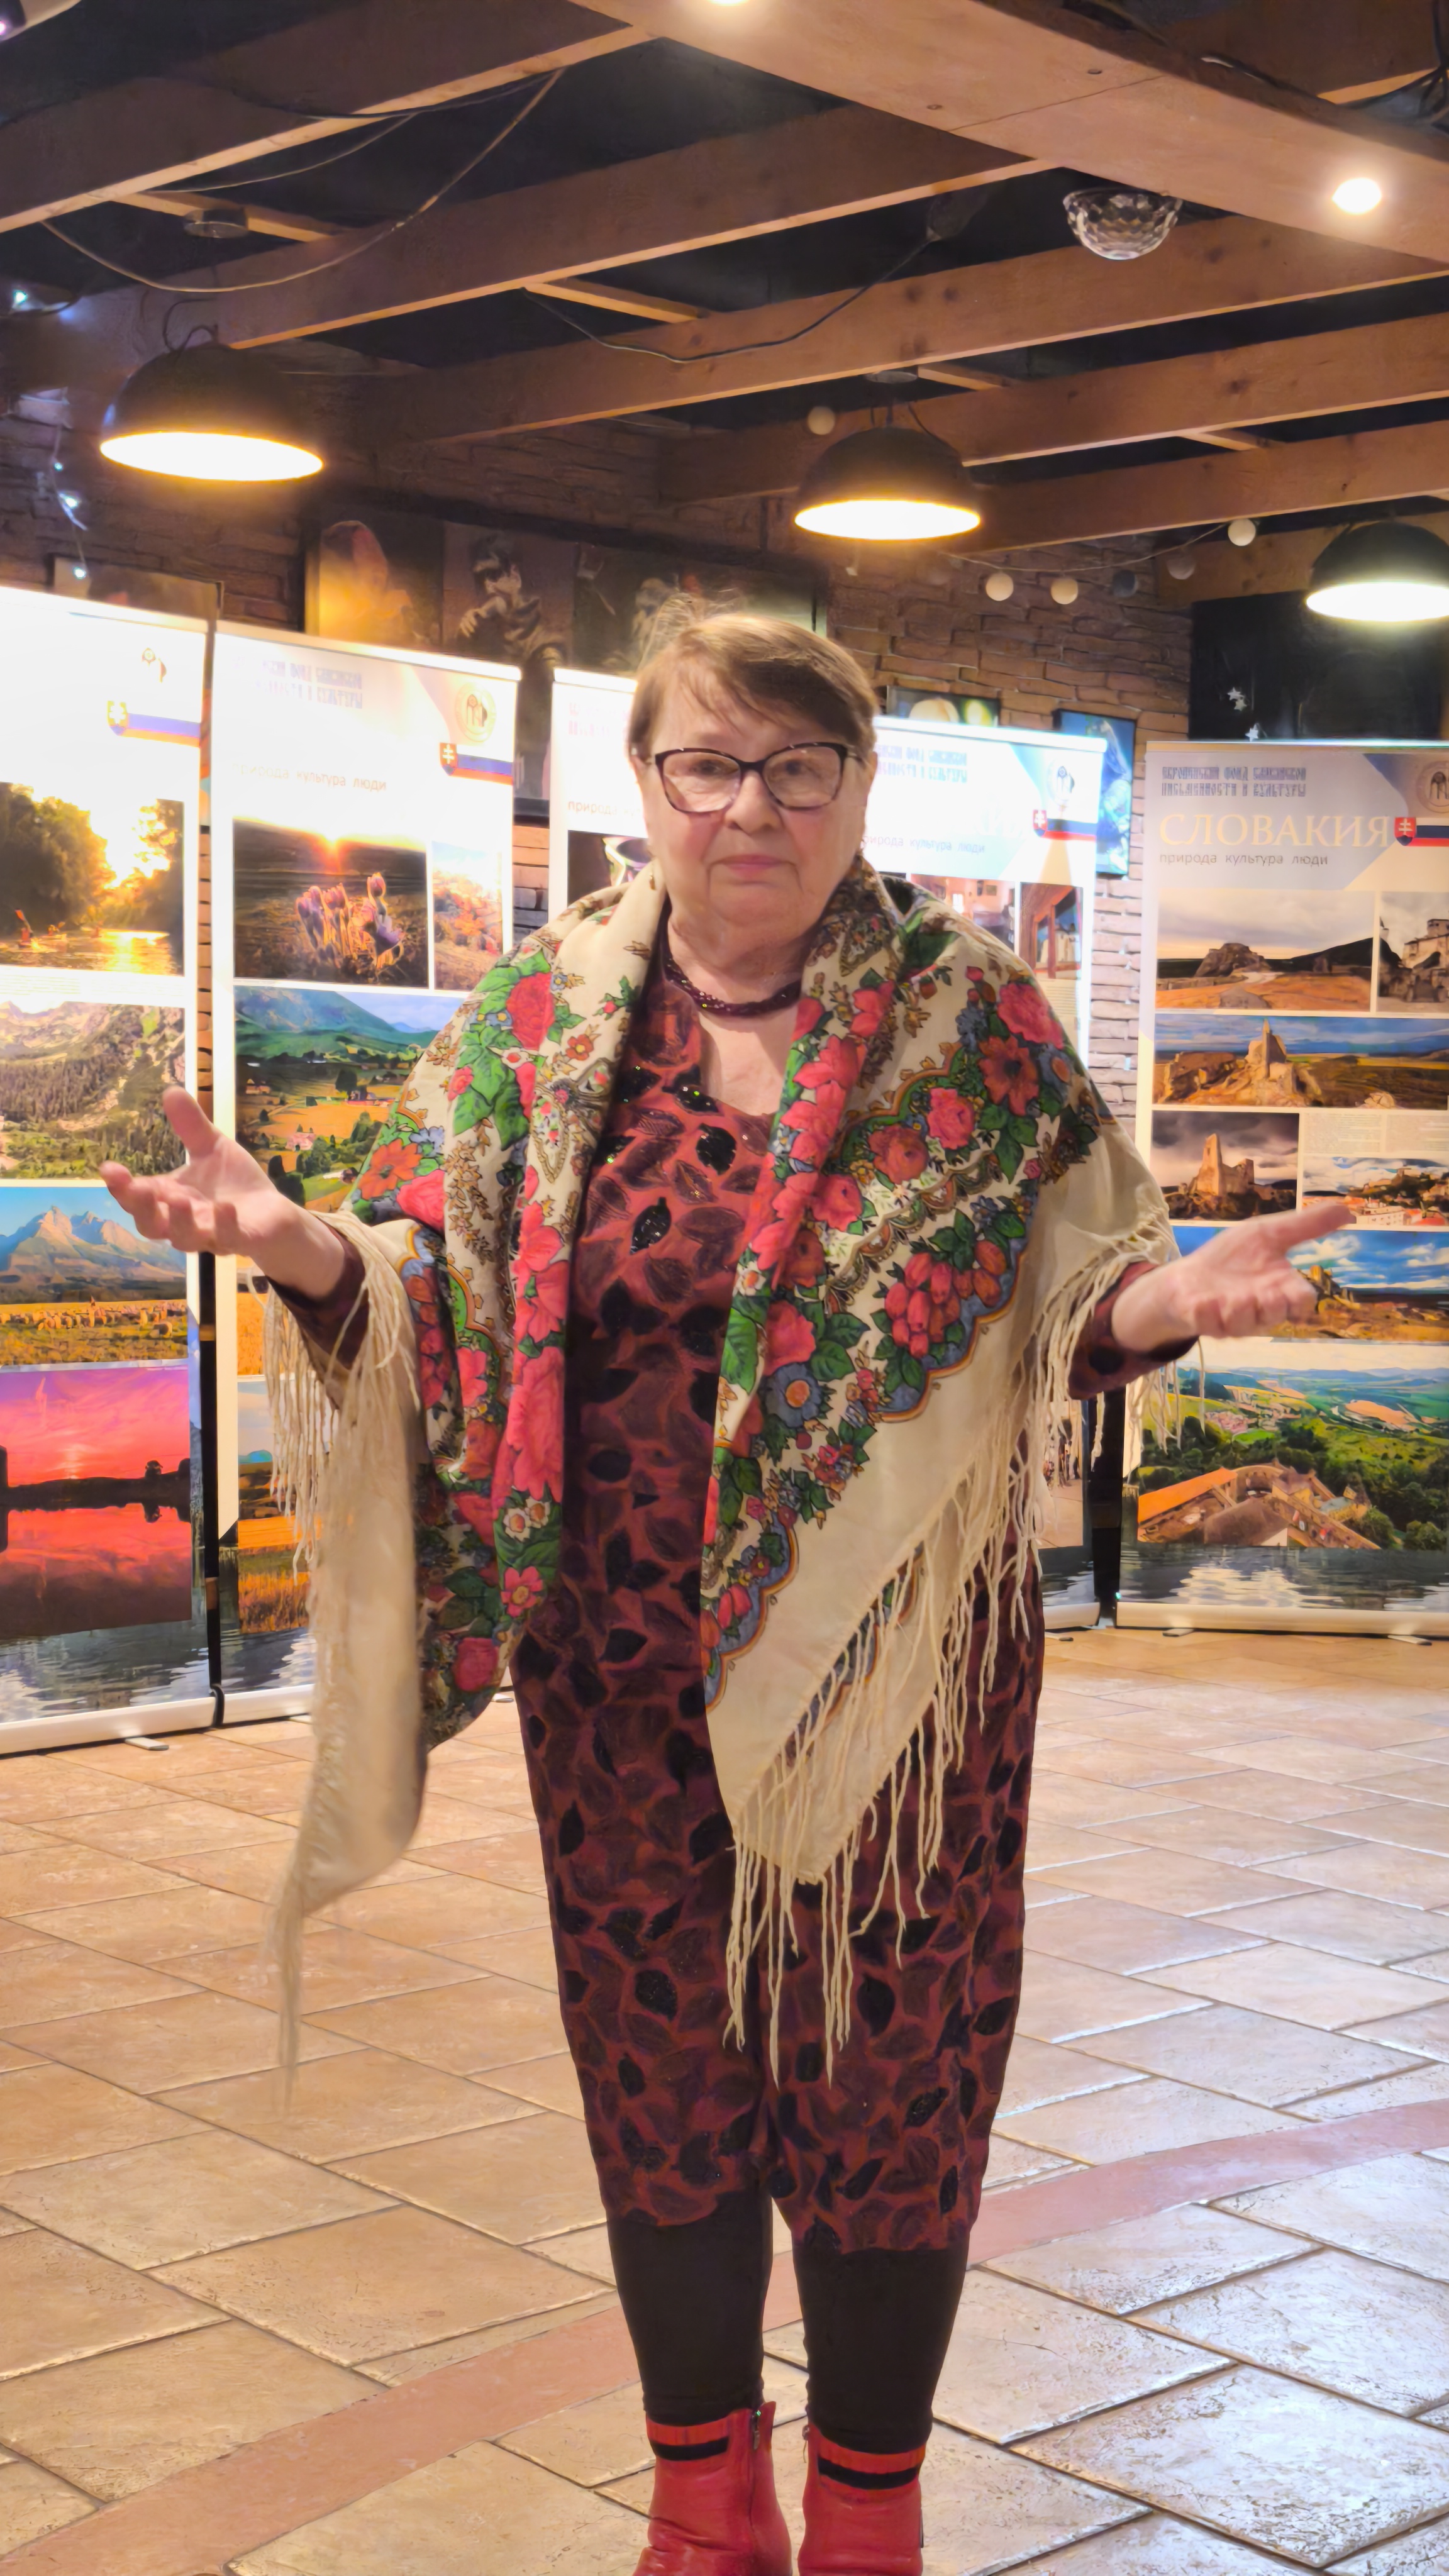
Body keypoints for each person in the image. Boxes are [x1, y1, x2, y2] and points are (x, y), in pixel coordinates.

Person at [102, 616, 1345, 2576]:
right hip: (614, 1675)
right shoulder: (535, 1022)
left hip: (897, 1678)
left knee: (892, 2077)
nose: (750, 806)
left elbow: (1070, 1291)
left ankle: (867, 2508)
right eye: (708, 764)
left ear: (855, 790)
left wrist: (1162, 1302)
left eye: (797, 766)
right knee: (659, 2071)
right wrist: (302, 1251)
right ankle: (702, 2498)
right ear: (645, 788)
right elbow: (420, 1279)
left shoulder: (973, 1017)